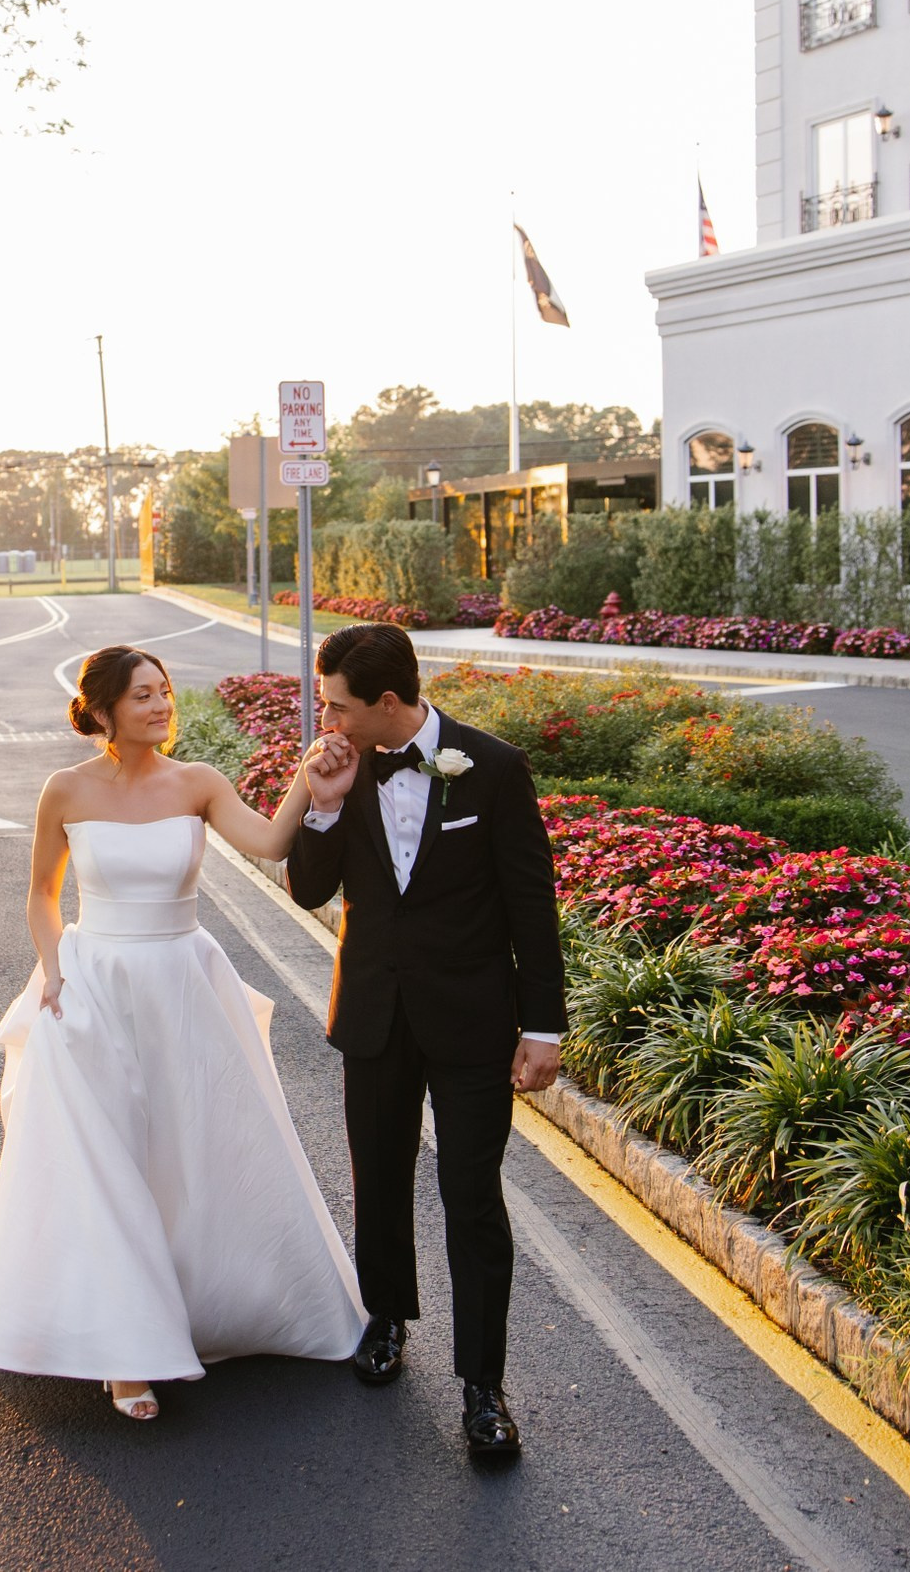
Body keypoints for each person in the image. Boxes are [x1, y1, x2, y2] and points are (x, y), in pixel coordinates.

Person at [0, 645, 366, 1420]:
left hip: (182, 981)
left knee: (189, 1152)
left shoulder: (198, 782)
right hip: (92, 987)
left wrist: (311, 785)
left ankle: (201, 1303)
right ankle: (125, 1352)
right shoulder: (65, 789)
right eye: (142, 695)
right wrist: (53, 968)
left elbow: (270, 843)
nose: (160, 705)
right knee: (104, 1164)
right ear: (103, 710)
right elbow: (42, 894)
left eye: (164, 691)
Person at [287, 622, 566, 1462]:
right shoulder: (337, 767)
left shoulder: (496, 767)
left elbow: (531, 904)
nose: (326, 719)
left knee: (471, 1198)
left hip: (472, 1019)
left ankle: (484, 1385)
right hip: (374, 1013)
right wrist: (324, 803)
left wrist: (543, 1025)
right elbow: (308, 889)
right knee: (378, 1177)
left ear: (387, 701)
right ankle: (385, 1317)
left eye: (337, 705)